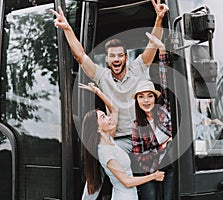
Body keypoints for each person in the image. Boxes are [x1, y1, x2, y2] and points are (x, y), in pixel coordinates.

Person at [50, 1, 169, 153]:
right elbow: (80, 56)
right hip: (118, 139)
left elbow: (153, 44)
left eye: (120, 55)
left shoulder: (137, 69)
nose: (116, 59)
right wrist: (67, 29)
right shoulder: (102, 76)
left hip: (142, 135)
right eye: (112, 56)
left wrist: (159, 18)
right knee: (109, 156)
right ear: (107, 59)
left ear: (126, 58)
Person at [79, 82, 165, 200]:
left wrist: (98, 92)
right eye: (103, 117)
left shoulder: (109, 139)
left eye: (105, 115)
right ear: (97, 128)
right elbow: (127, 182)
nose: (109, 118)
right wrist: (154, 176)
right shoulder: (105, 152)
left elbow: (114, 110)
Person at [131, 80, 173, 200]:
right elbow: (139, 156)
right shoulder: (136, 125)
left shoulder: (164, 113)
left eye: (150, 96)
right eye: (141, 97)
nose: (146, 101)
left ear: (155, 98)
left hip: (170, 165)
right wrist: (161, 148)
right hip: (149, 169)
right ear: (137, 101)